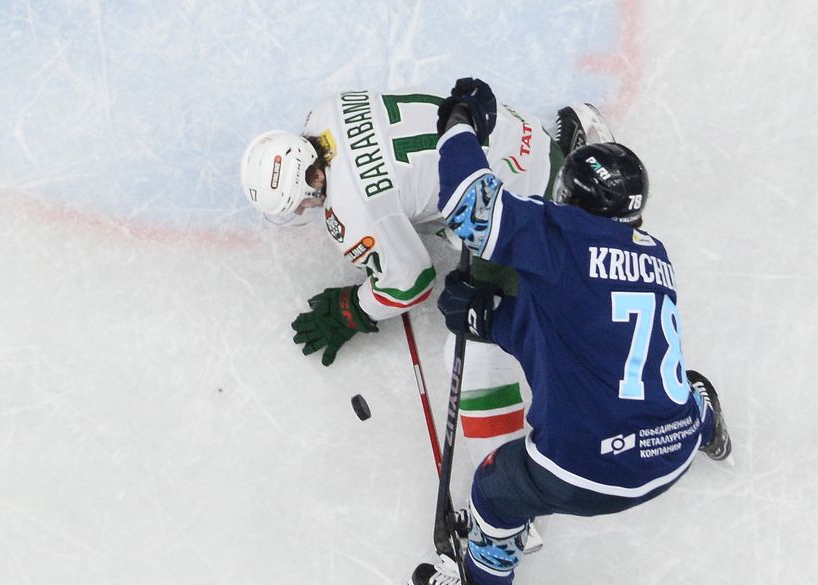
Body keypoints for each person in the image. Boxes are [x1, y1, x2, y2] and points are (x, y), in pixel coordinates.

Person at [407, 78, 733, 585]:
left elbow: (467, 207)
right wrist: (492, 320)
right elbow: (576, 333)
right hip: (673, 448)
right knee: (683, 387)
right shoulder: (655, 253)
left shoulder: (559, 238)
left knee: (497, 488)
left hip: (589, 472)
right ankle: (708, 427)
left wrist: (460, 122)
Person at [240, 89, 614, 505]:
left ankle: (507, 496)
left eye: (298, 204)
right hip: (520, 136)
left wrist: (353, 309)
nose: (300, 212)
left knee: (477, 344)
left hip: (519, 199)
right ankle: (574, 166)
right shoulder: (326, 109)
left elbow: (411, 283)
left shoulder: (352, 210)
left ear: (313, 180)